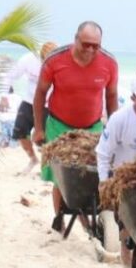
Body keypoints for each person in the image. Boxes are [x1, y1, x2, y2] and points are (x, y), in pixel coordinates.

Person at [33, 22, 119, 230]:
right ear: (76, 39)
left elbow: (112, 96)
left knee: (99, 172)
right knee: (60, 177)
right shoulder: (55, 60)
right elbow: (40, 94)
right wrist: (39, 129)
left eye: (95, 46)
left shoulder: (109, 63)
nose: (90, 50)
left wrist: (114, 131)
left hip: (92, 126)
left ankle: (96, 219)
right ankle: (59, 217)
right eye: (86, 44)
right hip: (58, 125)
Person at [6, 41, 54, 172]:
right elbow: (11, 75)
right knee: (20, 131)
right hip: (29, 101)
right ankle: (33, 159)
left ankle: (46, 168)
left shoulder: (58, 61)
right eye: (45, 58)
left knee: (46, 139)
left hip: (49, 105)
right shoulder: (28, 59)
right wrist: (4, 96)